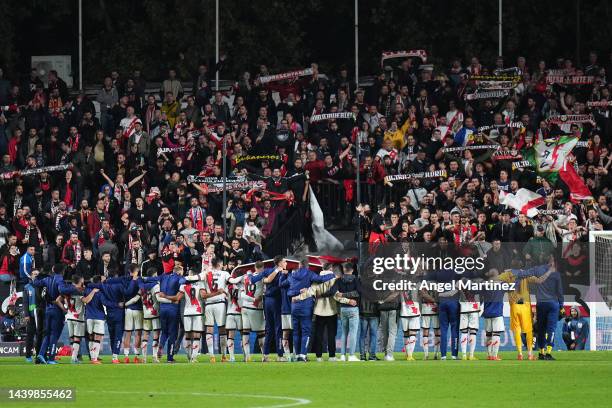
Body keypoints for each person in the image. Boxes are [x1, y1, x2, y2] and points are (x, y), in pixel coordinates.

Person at [280, 258, 334, 362]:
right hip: (306, 306)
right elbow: (321, 279)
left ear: (299, 265)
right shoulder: (309, 274)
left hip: (294, 306)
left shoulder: (292, 275)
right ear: (307, 266)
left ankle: (297, 355)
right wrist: (331, 274)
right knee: (305, 332)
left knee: (296, 332)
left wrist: (283, 275)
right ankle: (303, 355)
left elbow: (283, 286)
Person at [31, 264, 82, 364]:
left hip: (48, 309)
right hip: (57, 310)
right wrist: (75, 288)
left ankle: (41, 354)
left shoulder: (46, 279)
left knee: (48, 334)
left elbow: (35, 283)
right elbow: (62, 290)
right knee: (54, 335)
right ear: (63, 271)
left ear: (53, 269)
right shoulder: (60, 280)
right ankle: (51, 358)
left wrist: (37, 276)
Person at [291, 263, 339, 362]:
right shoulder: (334, 279)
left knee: (319, 334)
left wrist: (297, 297)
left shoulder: (316, 280)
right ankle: (332, 356)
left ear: (322, 268)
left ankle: (318, 357)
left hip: (318, 310)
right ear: (331, 268)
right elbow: (337, 295)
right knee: (331, 334)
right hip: (331, 310)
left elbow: (310, 292)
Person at [250, 255, 287, 362]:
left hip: (267, 302)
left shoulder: (267, 270)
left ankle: (265, 355)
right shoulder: (281, 273)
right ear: (279, 263)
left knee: (268, 329)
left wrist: (265, 280)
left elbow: (253, 279)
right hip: (276, 302)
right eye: (284, 262)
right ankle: (280, 356)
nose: (286, 264)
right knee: (278, 328)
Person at [328, 262, 361, 361]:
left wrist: (342, 295)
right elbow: (359, 292)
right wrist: (350, 297)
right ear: (352, 270)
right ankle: (351, 355)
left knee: (344, 333)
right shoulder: (356, 280)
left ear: (344, 270)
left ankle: (342, 355)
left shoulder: (338, 280)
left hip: (342, 308)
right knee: (353, 333)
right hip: (353, 309)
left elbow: (332, 291)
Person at [200, 257, 230, 363]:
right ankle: (223, 356)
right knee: (222, 329)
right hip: (220, 304)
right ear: (219, 264)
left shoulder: (205, 274)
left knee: (209, 329)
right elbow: (231, 283)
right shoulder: (225, 273)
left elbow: (203, 295)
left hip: (208, 304)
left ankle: (212, 356)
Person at [237, 261, 266, 362]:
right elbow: (264, 292)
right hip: (256, 308)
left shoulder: (246, 277)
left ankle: (247, 357)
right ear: (263, 268)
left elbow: (241, 294)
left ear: (254, 267)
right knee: (261, 333)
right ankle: (264, 356)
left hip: (245, 307)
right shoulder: (262, 278)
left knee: (245, 332)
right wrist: (255, 299)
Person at [400, 289, 421, 361]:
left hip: (404, 311)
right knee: (412, 334)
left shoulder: (400, 283)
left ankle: (407, 354)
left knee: (406, 334)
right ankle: (410, 355)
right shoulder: (417, 283)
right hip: (414, 310)